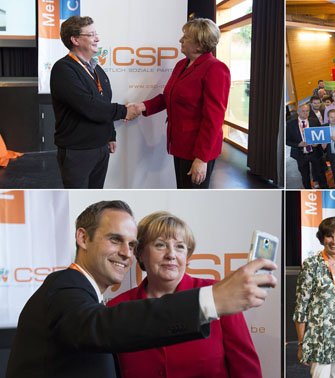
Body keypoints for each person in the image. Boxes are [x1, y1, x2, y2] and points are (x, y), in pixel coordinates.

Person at [6, 201, 275, 377]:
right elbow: (98, 327)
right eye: (115, 240)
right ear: (83, 238)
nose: (125, 252)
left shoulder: (219, 296)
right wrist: (209, 302)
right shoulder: (67, 288)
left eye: (131, 244)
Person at [107, 211, 260, 377]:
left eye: (180, 246)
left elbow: (246, 369)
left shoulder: (217, 294)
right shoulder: (117, 308)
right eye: (160, 245)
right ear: (141, 254)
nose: (171, 254)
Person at [130, 18, 230, 189]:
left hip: (197, 150)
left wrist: (202, 158)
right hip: (180, 145)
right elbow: (168, 97)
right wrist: (142, 106)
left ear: (199, 44)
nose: (180, 40)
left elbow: (213, 119)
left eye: (186, 37)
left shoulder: (215, 69)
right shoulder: (181, 64)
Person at [50, 16, 139, 189]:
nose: (97, 38)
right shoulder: (63, 69)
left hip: (100, 147)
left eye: (96, 34)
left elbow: (104, 102)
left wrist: (110, 134)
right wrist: (123, 112)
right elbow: (88, 106)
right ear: (75, 40)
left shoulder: (96, 68)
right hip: (78, 152)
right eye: (91, 35)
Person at [294, 217, 335, 378]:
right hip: (319, 338)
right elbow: (301, 307)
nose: (334, 241)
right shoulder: (311, 265)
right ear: (322, 239)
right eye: (329, 236)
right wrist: (301, 343)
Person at [287, 103, 329, 189]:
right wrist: (298, 144)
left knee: (320, 173)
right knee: (305, 176)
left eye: (307, 111)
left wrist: (318, 143)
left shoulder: (314, 121)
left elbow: (320, 135)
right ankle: (308, 193)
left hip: (315, 152)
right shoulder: (291, 124)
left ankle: (325, 190)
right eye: (303, 111)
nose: (305, 113)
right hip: (301, 154)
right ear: (298, 112)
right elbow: (287, 140)